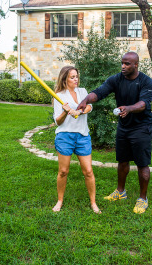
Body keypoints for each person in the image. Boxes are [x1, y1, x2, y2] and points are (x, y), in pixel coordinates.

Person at [77, 52, 152, 214]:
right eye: (122, 63)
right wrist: (85, 100)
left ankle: (143, 198)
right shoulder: (116, 79)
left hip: (141, 126)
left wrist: (129, 108)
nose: (123, 66)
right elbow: (99, 92)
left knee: (142, 164)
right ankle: (120, 192)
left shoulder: (146, 81)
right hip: (124, 126)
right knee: (122, 161)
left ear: (136, 65)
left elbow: (143, 104)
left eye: (127, 64)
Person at [52, 65, 101, 214]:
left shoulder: (82, 91)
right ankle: (59, 201)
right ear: (65, 79)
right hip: (65, 136)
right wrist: (65, 112)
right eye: (72, 77)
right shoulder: (59, 95)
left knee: (88, 171)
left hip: (82, 135)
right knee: (63, 171)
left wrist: (79, 111)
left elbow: (89, 108)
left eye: (76, 76)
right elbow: (57, 122)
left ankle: (93, 202)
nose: (76, 80)